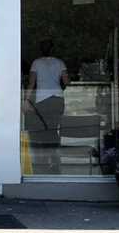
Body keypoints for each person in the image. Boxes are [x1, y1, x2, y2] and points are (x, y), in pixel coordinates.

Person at [24, 40, 69, 173]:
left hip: (42, 100)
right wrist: (59, 87)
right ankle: (55, 160)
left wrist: (26, 100)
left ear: (41, 49)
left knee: (44, 130)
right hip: (57, 99)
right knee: (53, 129)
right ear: (52, 49)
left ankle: (44, 161)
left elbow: (31, 83)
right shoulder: (60, 62)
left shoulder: (36, 63)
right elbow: (66, 81)